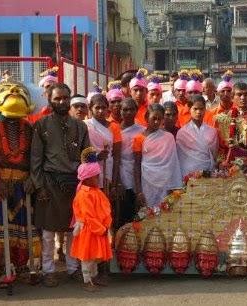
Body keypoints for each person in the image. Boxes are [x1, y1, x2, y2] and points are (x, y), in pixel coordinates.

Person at [30, 83, 92, 287]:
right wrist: (40, 186)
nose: (62, 102)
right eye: (57, 99)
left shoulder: (81, 126)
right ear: (50, 100)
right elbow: (36, 159)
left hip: (75, 183)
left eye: (65, 98)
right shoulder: (41, 125)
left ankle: (73, 268)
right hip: (49, 181)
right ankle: (48, 270)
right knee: (48, 232)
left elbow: (86, 158)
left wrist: (87, 186)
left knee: (73, 229)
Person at [0, 73, 41, 282]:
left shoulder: (31, 130)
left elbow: (37, 158)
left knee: (25, 226)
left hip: (24, 186)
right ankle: (3, 267)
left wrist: (32, 180)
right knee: (1, 225)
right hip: (2, 187)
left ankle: (23, 265)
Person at [70, 147, 114, 292]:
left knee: (94, 257)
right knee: (87, 258)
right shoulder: (83, 194)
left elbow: (106, 209)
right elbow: (88, 216)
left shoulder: (96, 192)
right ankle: (87, 280)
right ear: (87, 179)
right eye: (96, 176)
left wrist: (106, 225)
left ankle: (94, 278)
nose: (98, 179)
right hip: (90, 230)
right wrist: (101, 229)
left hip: (99, 229)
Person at [133, 104, 183, 208]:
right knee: (148, 214)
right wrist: (138, 191)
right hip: (147, 181)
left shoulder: (168, 137)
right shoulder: (139, 139)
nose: (156, 122)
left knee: (166, 212)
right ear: (146, 118)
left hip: (166, 182)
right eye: (153, 118)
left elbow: (173, 162)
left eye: (159, 119)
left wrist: (174, 185)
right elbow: (137, 165)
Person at [117, 98, 146, 228]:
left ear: (137, 110)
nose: (128, 112)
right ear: (120, 111)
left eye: (132, 109)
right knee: (123, 211)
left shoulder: (143, 130)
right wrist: (117, 181)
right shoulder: (114, 130)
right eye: (125, 110)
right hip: (122, 172)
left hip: (141, 172)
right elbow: (115, 157)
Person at [85, 94, 122, 192]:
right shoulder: (85, 125)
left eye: (103, 108)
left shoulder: (115, 127)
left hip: (107, 170)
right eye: (97, 108)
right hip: (90, 172)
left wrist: (114, 183)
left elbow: (117, 156)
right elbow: (81, 152)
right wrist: (96, 156)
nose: (100, 111)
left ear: (107, 108)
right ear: (90, 108)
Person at [176, 94, 220, 177]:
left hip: (208, 171)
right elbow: (180, 157)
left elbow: (215, 154)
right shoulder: (182, 132)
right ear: (189, 109)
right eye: (195, 109)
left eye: (201, 109)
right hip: (188, 172)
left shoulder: (212, 131)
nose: (198, 112)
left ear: (205, 109)